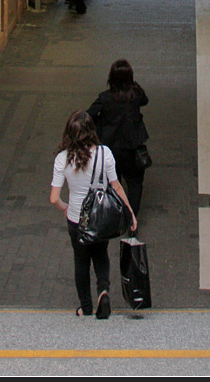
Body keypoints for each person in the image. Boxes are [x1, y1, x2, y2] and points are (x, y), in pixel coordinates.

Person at [50, 110, 137, 318]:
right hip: (100, 217)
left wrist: (65, 207)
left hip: (76, 219)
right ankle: (103, 292)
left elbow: (53, 198)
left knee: (80, 262)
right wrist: (130, 213)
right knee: (101, 255)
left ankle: (86, 307)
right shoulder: (104, 153)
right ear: (92, 131)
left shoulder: (62, 159)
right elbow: (116, 187)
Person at [87, 59, 149, 218]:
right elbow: (145, 100)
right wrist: (134, 84)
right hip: (132, 148)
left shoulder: (105, 98)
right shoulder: (135, 96)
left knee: (113, 182)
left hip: (110, 149)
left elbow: (88, 116)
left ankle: (116, 215)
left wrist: (99, 127)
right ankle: (132, 218)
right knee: (135, 184)